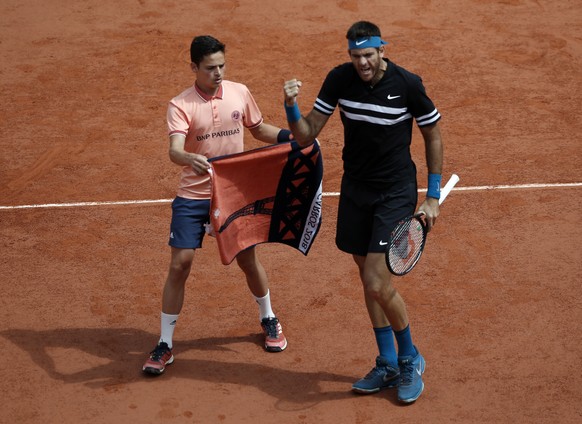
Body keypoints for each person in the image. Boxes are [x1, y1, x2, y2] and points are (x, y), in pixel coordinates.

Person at [282, 21, 443, 403]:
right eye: (355, 56)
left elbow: (432, 133)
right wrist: (291, 106)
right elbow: (305, 135)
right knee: (365, 276)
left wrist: (432, 195)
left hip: (395, 191)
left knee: (376, 281)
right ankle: (387, 362)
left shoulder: (406, 84)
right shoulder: (340, 80)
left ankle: (409, 358)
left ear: (381, 50)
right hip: (356, 190)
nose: (362, 63)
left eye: (368, 55)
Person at [143, 35, 293, 375]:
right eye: (210, 68)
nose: (218, 73)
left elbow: (258, 130)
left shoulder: (239, 92)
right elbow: (174, 150)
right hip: (193, 196)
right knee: (180, 264)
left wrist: (290, 137)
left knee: (248, 260)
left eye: (222, 65)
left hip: (232, 194)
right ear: (194, 67)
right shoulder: (180, 104)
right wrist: (185, 157)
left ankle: (268, 317)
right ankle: (166, 343)